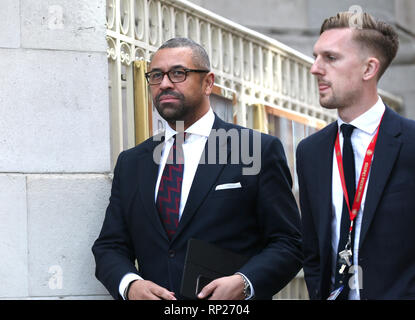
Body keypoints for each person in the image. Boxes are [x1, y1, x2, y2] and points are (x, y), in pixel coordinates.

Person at [92, 37, 302, 300]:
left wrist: (244, 282)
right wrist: (130, 285)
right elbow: (110, 246)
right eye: (156, 75)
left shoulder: (255, 150)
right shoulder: (132, 162)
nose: (165, 83)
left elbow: (289, 243)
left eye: (178, 73)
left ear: (208, 82)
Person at [296, 11, 415, 300]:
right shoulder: (310, 151)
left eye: (331, 58)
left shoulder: (411, 142)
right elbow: (312, 250)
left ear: (368, 69)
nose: (315, 68)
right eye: (316, 56)